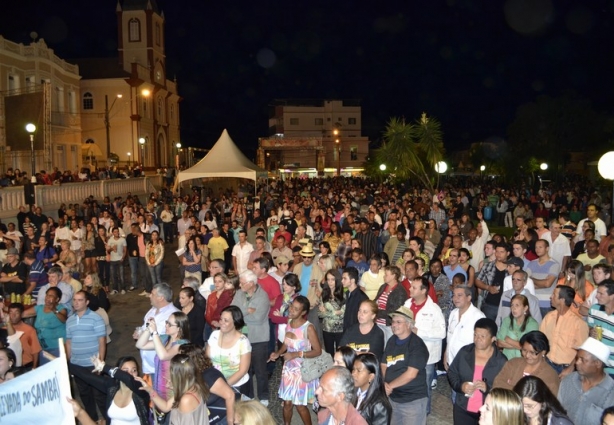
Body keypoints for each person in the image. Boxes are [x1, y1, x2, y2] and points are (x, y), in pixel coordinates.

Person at [269, 295, 322, 425]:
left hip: (302, 370)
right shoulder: (289, 322)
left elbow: (317, 351)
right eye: (292, 306)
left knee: (299, 405)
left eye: (296, 309)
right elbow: (286, 343)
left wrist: (295, 354)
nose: (291, 310)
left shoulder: (308, 328)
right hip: (288, 370)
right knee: (287, 403)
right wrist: (278, 353)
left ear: (303, 312)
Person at [448, 318, 507, 425]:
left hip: (488, 412)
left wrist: (488, 389)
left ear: (493, 338)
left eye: (482, 336)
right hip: (463, 408)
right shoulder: (465, 352)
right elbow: (452, 373)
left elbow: (505, 389)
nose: (477, 339)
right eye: (475, 335)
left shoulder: (500, 361)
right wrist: (461, 386)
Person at [68, 355, 151, 425]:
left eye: (134, 370)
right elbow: (86, 375)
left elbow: (128, 379)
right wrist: (61, 362)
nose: (131, 374)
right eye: (125, 371)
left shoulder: (141, 389)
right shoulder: (112, 387)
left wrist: (104, 367)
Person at [380, 306, 429, 425]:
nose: (393, 325)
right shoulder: (392, 340)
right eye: (393, 322)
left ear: (408, 324)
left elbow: (411, 374)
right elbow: (384, 363)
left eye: (398, 322)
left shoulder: (417, 345)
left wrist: (389, 386)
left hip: (412, 401)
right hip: (393, 399)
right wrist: (384, 383)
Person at [66, 290, 108, 423]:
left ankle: (108, 419)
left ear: (87, 302)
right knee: (84, 394)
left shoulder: (96, 318)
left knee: (99, 394)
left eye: (80, 300)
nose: (76, 303)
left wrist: (100, 363)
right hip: (77, 364)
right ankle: (92, 420)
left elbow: (102, 341)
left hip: (93, 364)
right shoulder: (70, 320)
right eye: (74, 300)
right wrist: (68, 362)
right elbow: (68, 342)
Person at [135, 311, 190, 412]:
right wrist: (148, 328)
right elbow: (140, 345)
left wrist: (155, 333)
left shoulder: (182, 345)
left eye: (169, 324)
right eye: (166, 322)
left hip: (172, 392)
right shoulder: (165, 339)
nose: (166, 325)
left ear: (179, 328)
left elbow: (163, 356)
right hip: (158, 389)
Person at [231, 270, 270, 403]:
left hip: (258, 338)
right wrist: (248, 310)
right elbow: (233, 312)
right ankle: (249, 394)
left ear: (251, 283)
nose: (240, 285)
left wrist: (241, 314)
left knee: (260, 369)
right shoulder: (239, 293)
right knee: (245, 368)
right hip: (242, 337)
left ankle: (264, 396)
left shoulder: (263, 296)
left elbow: (258, 318)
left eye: (242, 283)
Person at [138, 354, 209, 424]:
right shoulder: (196, 386)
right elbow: (166, 407)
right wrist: (150, 390)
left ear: (177, 375)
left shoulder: (185, 400)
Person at [558, 337, 614, 425]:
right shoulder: (568, 381)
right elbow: (557, 412)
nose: (577, 363)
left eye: (582, 360)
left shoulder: (611, 394)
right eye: (577, 358)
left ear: (597, 364)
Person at [179, 343, 236, 425]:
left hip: (223, 418)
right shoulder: (194, 375)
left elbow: (230, 395)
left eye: (181, 358)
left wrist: (230, 421)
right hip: (212, 418)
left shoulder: (209, 375)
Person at [539, 286, 589, 377]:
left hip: (566, 369)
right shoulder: (548, 317)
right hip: (547, 364)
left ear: (562, 300)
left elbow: (582, 350)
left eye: (554, 294)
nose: (551, 297)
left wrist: (570, 368)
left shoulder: (578, 324)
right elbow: (541, 340)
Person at [133, 283, 179, 380]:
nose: (149, 296)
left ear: (160, 298)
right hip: (148, 365)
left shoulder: (173, 316)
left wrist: (143, 340)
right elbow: (144, 326)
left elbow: (166, 341)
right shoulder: (153, 310)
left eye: (152, 294)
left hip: (161, 368)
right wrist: (139, 333)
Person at [493, 331, 561, 395]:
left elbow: (542, 400)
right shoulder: (513, 363)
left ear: (543, 352)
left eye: (532, 352)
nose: (527, 355)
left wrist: (510, 388)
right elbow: (497, 383)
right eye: (524, 350)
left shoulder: (550, 376)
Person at [206, 306, 252, 395]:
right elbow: (207, 359)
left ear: (235, 322)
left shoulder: (243, 342)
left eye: (226, 320)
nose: (221, 322)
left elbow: (243, 371)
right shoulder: (214, 335)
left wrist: (223, 386)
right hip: (214, 384)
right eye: (221, 319)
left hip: (237, 386)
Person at [445, 285, 485, 371]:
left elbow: (483, 345)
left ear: (469, 297)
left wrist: (478, 370)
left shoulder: (478, 317)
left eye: (459, 295)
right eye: (454, 295)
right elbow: (450, 337)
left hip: (469, 365)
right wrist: (446, 356)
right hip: (452, 362)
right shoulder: (453, 313)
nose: (455, 298)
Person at [352, 352, 392, 425]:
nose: (353, 374)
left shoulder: (379, 405)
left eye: (358, 371)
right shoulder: (352, 394)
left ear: (371, 377)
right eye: (353, 370)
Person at [496, 294, 540, 359]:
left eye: (517, 305)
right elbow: (499, 343)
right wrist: (520, 345)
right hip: (507, 360)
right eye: (512, 305)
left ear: (525, 308)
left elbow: (530, 347)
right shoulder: (507, 320)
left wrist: (509, 340)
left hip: (524, 361)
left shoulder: (532, 324)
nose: (513, 308)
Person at [374, 265, 408, 343]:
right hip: (377, 323)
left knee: (387, 346)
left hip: (389, 325)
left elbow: (394, 312)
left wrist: (375, 312)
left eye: (386, 274)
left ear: (393, 276)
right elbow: (376, 300)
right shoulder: (383, 287)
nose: (384, 276)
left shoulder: (400, 291)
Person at [587, 279, 614, 377]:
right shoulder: (594, 309)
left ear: (612, 296)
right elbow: (589, 328)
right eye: (597, 292)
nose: (597, 296)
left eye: (601, 294)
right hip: (597, 364)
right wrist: (590, 332)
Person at [6, 302, 42, 369]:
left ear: (22, 314)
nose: (13, 315)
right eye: (11, 312)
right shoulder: (4, 329)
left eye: (16, 313)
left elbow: (35, 351)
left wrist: (34, 367)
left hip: (26, 366)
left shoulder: (29, 330)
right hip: (9, 367)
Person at [319, 269, 345, 355]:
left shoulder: (343, 294)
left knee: (340, 354)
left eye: (332, 279)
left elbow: (342, 314)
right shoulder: (324, 294)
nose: (330, 282)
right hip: (327, 329)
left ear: (337, 280)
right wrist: (336, 312)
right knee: (329, 354)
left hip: (340, 329)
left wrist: (326, 312)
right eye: (328, 279)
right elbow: (319, 314)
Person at [205, 272, 234, 339]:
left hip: (225, 325)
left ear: (225, 282)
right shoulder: (211, 296)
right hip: (212, 324)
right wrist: (212, 323)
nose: (217, 284)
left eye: (220, 281)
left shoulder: (230, 296)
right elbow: (208, 312)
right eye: (215, 281)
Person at [342, 266, 368, 332]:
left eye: (345, 278)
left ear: (352, 280)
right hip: (346, 330)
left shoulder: (362, 298)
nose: (342, 281)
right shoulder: (347, 293)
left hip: (355, 332)